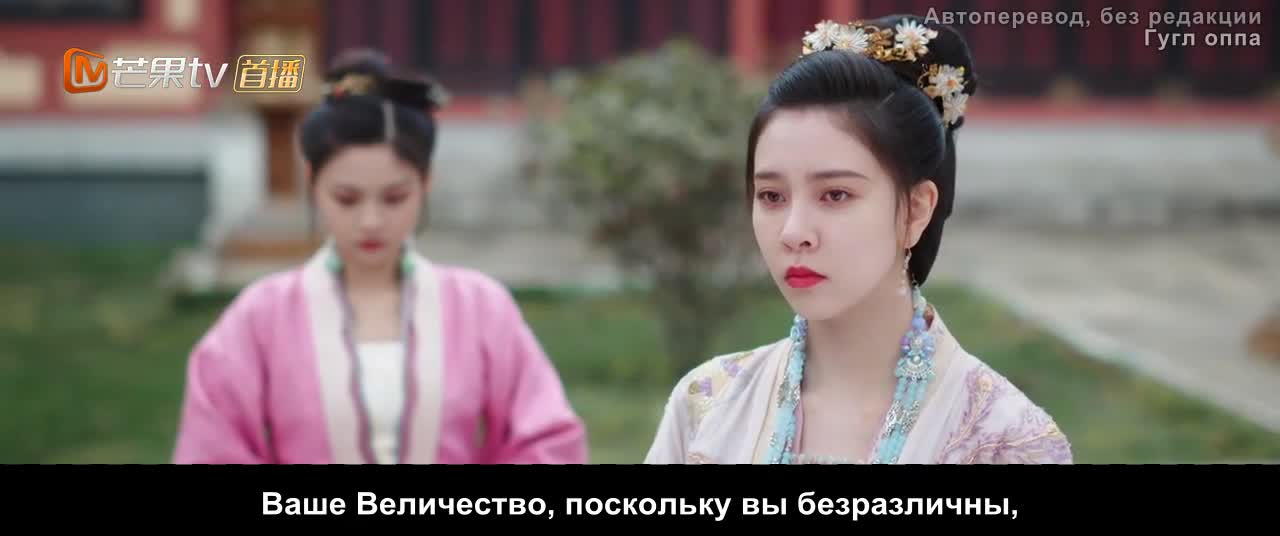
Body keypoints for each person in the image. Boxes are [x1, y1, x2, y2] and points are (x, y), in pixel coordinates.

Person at [644, 15, 1071, 464]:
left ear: (916, 209)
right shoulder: (706, 405)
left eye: (835, 195)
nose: (794, 232)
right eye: (771, 196)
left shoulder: (1007, 441)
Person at [172, 50, 588, 464]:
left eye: (394, 198)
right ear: (313, 184)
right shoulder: (261, 317)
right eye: (347, 198)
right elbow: (212, 448)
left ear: (425, 182)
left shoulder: (480, 308)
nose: (370, 221)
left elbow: (547, 441)